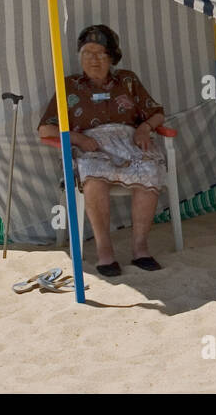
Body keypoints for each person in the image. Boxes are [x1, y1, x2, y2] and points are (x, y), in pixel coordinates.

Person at [38, 24, 167, 276]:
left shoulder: (127, 80)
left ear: (112, 57)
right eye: (87, 53)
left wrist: (144, 128)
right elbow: (46, 129)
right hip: (92, 145)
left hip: (130, 142)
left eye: (100, 53)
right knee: (93, 175)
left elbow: (157, 113)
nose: (93, 59)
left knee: (150, 169)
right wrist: (77, 138)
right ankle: (104, 252)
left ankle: (140, 249)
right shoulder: (70, 86)